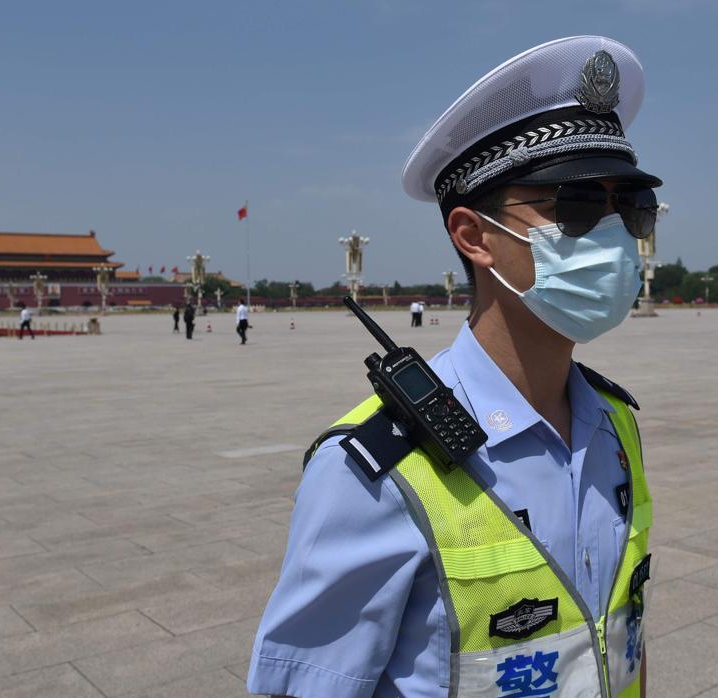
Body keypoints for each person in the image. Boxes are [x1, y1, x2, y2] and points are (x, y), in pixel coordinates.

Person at [249, 36, 661, 698]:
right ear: (473, 236)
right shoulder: (377, 474)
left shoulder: (617, 430)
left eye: (629, 207)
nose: (613, 234)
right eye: (578, 207)